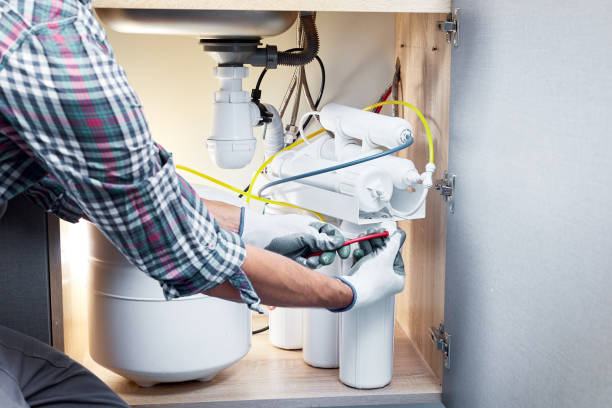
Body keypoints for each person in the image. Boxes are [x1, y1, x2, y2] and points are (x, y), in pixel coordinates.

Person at [0, 0, 407, 406]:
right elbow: (180, 249)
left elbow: (105, 188)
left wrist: (258, 227)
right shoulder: (47, 35)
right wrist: (349, 292)